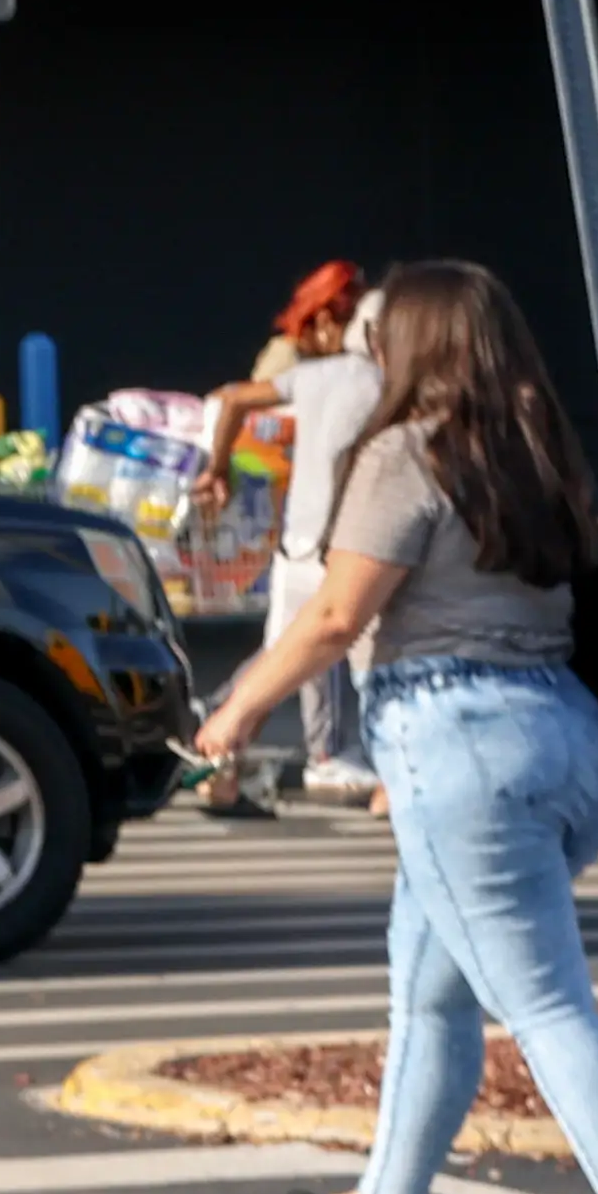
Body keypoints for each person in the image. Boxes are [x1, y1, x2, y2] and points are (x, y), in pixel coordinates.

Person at [190, 259, 598, 1194]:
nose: (367, 348)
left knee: (544, 1000)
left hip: (463, 747)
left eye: (381, 334)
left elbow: (336, 616)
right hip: (570, 737)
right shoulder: (539, 449)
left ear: (411, 346)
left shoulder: (404, 451)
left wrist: (238, 704)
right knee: (428, 984)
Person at [192, 263, 374, 814]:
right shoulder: (370, 378)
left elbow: (231, 400)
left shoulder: (309, 378)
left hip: (295, 544)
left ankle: (212, 740)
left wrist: (216, 469)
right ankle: (331, 755)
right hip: (335, 546)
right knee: (334, 649)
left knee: (280, 657)